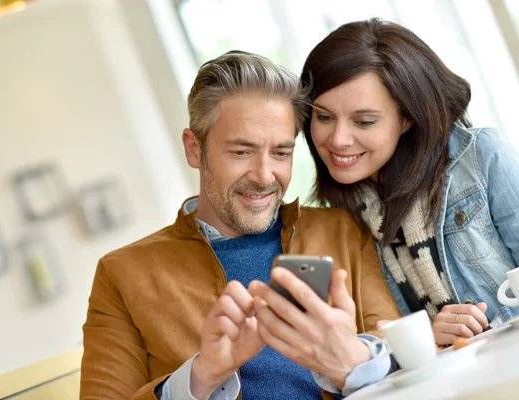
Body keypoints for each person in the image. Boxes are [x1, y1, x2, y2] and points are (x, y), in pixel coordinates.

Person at [80, 50, 401, 400]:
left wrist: (352, 362)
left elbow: (401, 358)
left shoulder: (344, 231)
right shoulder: (122, 275)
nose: (265, 177)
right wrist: (201, 377)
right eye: (241, 152)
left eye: (281, 153)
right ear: (194, 149)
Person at [300, 18, 519, 348]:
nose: (338, 139)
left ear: (407, 118)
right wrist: (428, 339)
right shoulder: (346, 215)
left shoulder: (480, 158)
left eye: (364, 121)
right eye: (324, 116)